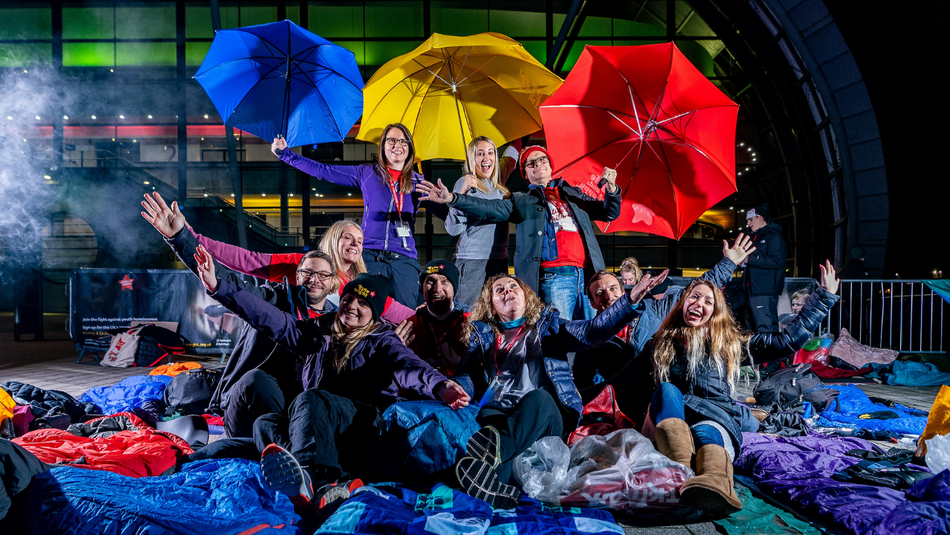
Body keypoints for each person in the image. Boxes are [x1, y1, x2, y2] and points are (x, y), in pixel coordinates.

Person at [193, 251, 470, 520]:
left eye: (363, 304)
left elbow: (409, 366)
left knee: (312, 399)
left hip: (362, 429)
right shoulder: (318, 331)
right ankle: (324, 480)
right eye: (349, 298)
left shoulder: (382, 340)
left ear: (373, 315)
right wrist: (219, 287)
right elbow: (267, 317)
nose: (352, 306)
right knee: (265, 423)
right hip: (323, 429)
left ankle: (319, 482)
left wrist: (440, 385)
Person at [603, 261, 840, 516]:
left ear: (715, 312)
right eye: (694, 297)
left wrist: (823, 298)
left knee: (708, 429)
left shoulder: (728, 343)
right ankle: (678, 473)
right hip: (670, 424)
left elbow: (785, 341)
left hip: (713, 418)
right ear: (683, 303)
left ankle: (715, 482)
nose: (699, 304)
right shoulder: (660, 343)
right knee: (667, 390)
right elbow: (618, 384)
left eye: (708, 301)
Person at [453, 270, 668, 508]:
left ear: (526, 297)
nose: (508, 291)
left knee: (538, 399)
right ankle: (493, 486)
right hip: (498, 411)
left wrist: (630, 301)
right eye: (499, 290)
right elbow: (468, 377)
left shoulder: (549, 327)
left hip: (545, 414)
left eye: (513, 286)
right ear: (492, 306)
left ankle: (495, 451)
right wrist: (454, 387)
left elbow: (592, 331)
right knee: (491, 438)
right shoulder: (481, 337)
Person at [141, 192, 336, 438]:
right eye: (308, 273)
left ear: (333, 283)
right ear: (297, 276)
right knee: (256, 381)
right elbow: (233, 284)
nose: (314, 280)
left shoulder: (337, 320)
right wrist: (180, 238)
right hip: (253, 398)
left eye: (322, 275)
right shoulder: (273, 299)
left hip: (297, 403)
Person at [419, 145, 621, 321]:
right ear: (525, 174)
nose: (538, 165)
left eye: (542, 160)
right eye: (531, 164)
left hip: (588, 276)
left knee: (595, 335)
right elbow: (487, 208)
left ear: (551, 167)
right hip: (554, 276)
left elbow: (609, 212)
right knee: (562, 338)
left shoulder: (573, 193)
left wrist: (612, 191)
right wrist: (454, 198)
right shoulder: (521, 199)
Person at [272, 124, 447, 307]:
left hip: (404, 260)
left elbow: (450, 219)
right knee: (363, 310)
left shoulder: (419, 183)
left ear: (410, 148)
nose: (398, 145)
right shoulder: (367, 173)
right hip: (369, 257)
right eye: (392, 140)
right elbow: (325, 171)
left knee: (405, 316)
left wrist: (450, 199)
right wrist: (286, 155)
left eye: (403, 141)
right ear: (383, 146)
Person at [574, 234, 755, 393]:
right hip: (625, 405)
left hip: (664, 392)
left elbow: (694, 291)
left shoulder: (653, 308)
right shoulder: (591, 337)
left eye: (613, 288)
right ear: (592, 303)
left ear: (623, 292)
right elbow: (583, 383)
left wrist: (728, 263)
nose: (608, 295)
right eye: (599, 293)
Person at [190, 218, 414, 324]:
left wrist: (429, 315)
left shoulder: (362, 285)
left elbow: (398, 312)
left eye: (360, 241)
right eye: (348, 237)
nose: (356, 244)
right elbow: (248, 261)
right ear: (334, 239)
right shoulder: (305, 265)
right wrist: (193, 240)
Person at [445, 136, 517, 307]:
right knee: (469, 314)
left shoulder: (500, 187)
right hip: (473, 261)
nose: (486, 158)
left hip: (499, 259)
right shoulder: (466, 183)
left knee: (497, 313)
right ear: (471, 159)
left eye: (491, 153)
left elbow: (513, 157)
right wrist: (460, 195)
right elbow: (453, 229)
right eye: (480, 154)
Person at [394, 260, 469, 376]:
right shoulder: (411, 325)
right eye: (430, 281)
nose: (437, 288)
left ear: (454, 288)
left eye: (444, 281)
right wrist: (396, 353)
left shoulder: (470, 322)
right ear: (422, 287)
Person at [740, 203, 787, 332]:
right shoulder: (752, 236)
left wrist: (749, 259)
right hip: (751, 290)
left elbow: (778, 261)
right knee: (751, 328)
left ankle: (768, 351)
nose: (749, 223)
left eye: (751, 219)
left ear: (760, 218)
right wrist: (742, 261)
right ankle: (755, 351)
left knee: (764, 327)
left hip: (764, 291)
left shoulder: (773, 237)